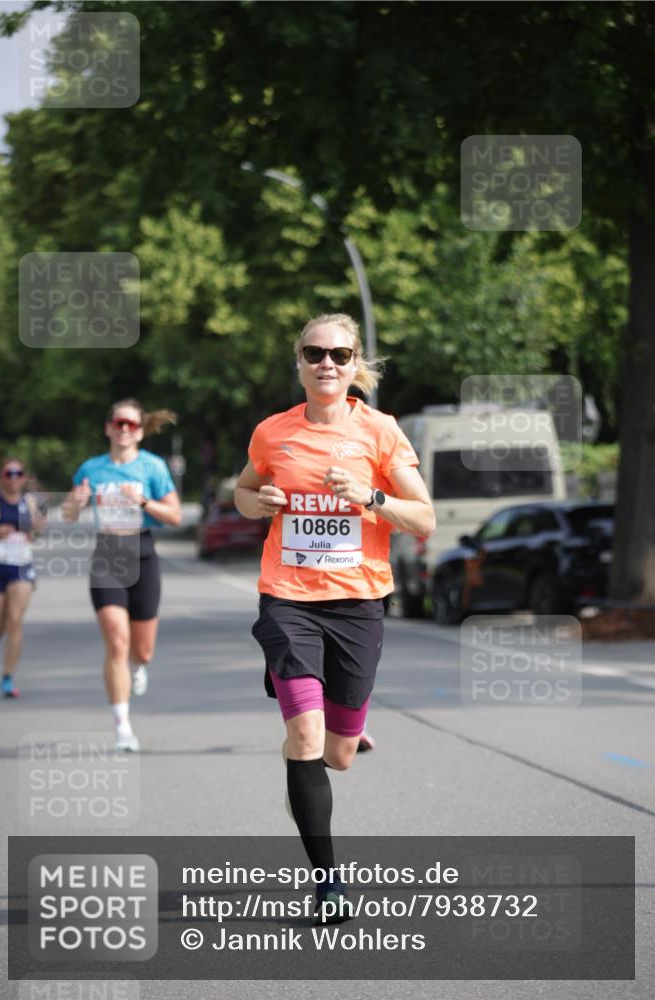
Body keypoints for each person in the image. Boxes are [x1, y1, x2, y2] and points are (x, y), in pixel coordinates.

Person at [234, 313, 435, 923]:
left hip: (357, 603)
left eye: (339, 354)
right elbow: (243, 493)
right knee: (306, 738)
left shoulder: (379, 431)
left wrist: (370, 497)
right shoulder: (272, 433)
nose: (327, 363)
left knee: (340, 754)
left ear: (354, 365)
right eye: (315, 353)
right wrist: (257, 501)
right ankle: (328, 884)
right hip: (288, 597)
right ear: (298, 361)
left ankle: (318, 705)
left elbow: (423, 519)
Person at [63, 400, 181, 751]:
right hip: (108, 554)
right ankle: (122, 726)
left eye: (132, 424)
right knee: (116, 639)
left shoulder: (153, 467)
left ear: (140, 430)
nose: (125, 429)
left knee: (141, 650)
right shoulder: (92, 468)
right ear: (108, 427)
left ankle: (140, 665)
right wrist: (77, 501)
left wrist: (143, 501)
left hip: (142, 553)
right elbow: (68, 514)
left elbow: (174, 516)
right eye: (119, 423)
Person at [0, 459, 44, 697]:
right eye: (8, 473)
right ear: (2, 476)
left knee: (14, 621)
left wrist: (36, 527)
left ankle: (7, 678)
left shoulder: (28, 501)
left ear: (23, 477)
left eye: (17, 473)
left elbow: (37, 528)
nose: (13, 477)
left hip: (21, 567)